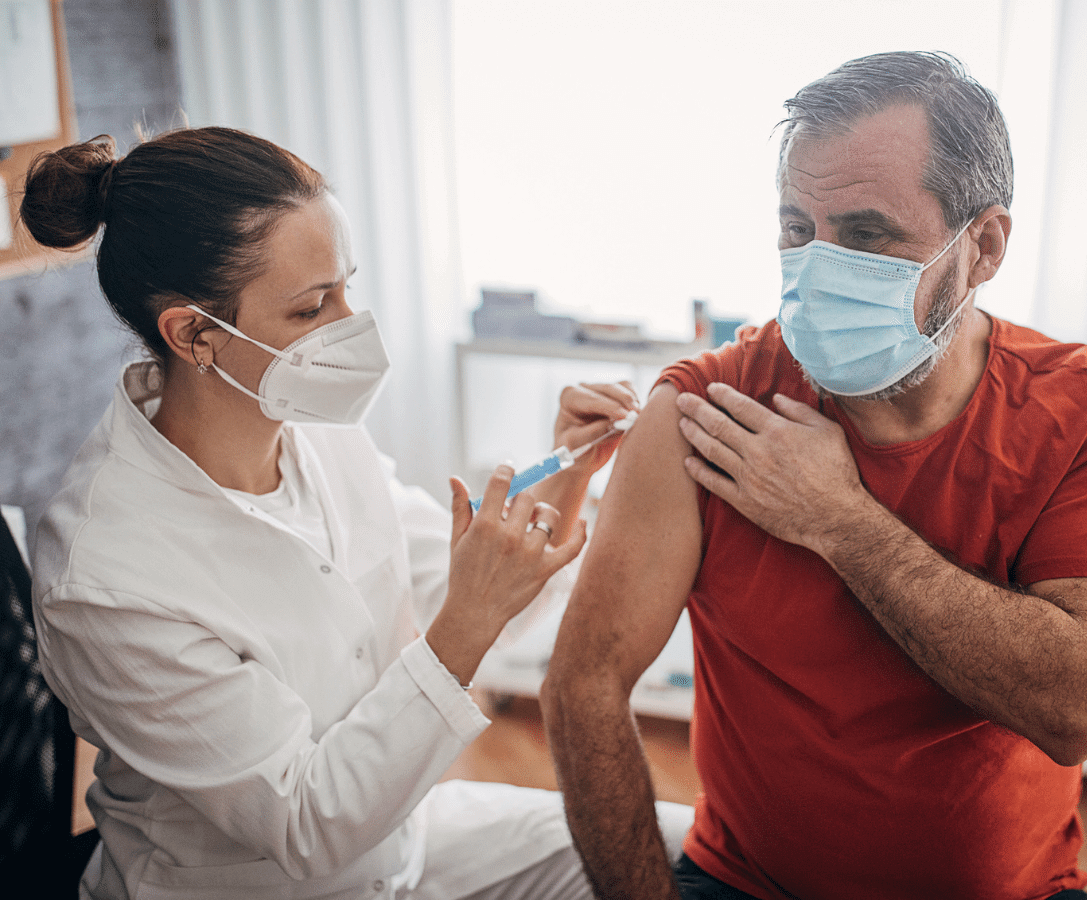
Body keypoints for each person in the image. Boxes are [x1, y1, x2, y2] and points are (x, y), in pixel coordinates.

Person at [541, 51, 1087, 900]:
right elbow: (583, 683)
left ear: (981, 248)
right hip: (745, 884)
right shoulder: (704, 409)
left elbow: (1077, 709)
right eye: (799, 230)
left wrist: (839, 519)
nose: (819, 268)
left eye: (867, 235)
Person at [20, 126, 693, 900]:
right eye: (312, 309)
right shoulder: (107, 575)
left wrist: (567, 475)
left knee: (683, 849)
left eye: (346, 287)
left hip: (402, 841)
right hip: (264, 880)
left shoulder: (312, 432)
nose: (350, 327)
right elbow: (310, 825)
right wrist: (469, 619)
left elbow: (464, 588)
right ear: (195, 334)